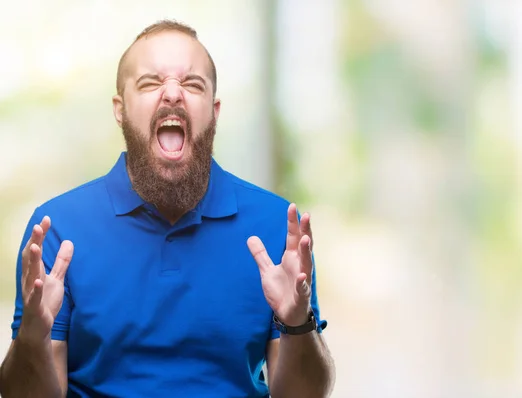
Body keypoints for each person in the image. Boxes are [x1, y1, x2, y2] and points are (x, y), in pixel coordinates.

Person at [0, 20, 335, 398]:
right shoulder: (57, 230)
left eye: (192, 84)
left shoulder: (277, 227)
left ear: (214, 110)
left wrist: (297, 323)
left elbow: (303, 395)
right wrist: (31, 338)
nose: (173, 94)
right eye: (150, 83)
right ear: (120, 109)